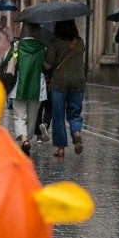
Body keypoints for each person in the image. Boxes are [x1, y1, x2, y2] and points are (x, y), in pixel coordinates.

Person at [2, 23, 47, 156]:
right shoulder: (42, 48)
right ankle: (28, 138)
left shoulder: (17, 46)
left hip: (18, 87)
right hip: (37, 88)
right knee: (32, 118)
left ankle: (24, 139)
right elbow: (46, 64)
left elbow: (6, 62)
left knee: (19, 116)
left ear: (26, 31)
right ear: (38, 32)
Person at [43, 20, 87, 158]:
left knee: (58, 114)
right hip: (78, 82)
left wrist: (42, 62)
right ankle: (76, 133)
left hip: (60, 83)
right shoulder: (79, 42)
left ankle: (61, 148)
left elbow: (49, 64)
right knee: (74, 113)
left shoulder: (54, 42)